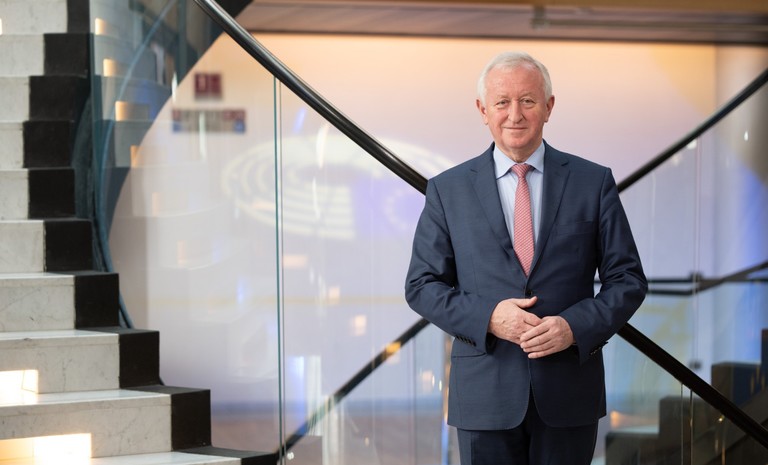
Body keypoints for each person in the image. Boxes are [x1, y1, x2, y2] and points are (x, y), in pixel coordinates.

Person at [404, 51, 648, 464]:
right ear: (483, 110)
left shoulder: (593, 182)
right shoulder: (447, 190)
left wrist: (573, 327)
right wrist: (489, 318)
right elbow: (421, 286)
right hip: (484, 396)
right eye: (502, 102)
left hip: (569, 393)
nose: (514, 114)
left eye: (528, 101)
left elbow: (627, 280)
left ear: (549, 107)